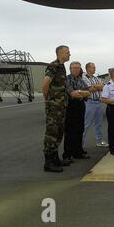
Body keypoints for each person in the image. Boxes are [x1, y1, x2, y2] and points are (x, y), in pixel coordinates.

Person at [42, 45, 71, 173]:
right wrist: (49, 100)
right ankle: (48, 163)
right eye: (67, 52)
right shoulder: (53, 66)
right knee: (51, 134)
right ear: (60, 53)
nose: (69, 54)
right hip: (54, 106)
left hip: (61, 106)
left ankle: (55, 159)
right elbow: (45, 84)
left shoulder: (62, 67)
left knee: (59, 133)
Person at [63, 62, 92, 162]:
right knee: (70, 131)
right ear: (70, 69)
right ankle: (67, 154)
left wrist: (80, 92)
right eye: (74, 68)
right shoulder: (67, 79)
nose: (76, 70)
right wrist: (81, 92)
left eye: (78, 68)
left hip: (80, 106)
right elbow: (72, 94)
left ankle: (78, 152)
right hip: (70, 107)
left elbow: (88, 92)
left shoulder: (80, 79)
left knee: (80, 129)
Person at [82, 62, 108, 149]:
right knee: (86, 124)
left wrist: (95, 86)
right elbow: (90, 89)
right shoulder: (84, 77)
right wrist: (97, 87)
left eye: (94, 67)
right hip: (90, 102)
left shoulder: (96, 78)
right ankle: (80, 143)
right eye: (93, 67)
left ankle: (99, 141)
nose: (94, 69)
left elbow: (104, 86)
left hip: (99, 102)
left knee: (98, 123)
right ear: (88, 68)